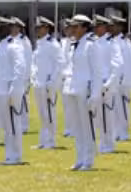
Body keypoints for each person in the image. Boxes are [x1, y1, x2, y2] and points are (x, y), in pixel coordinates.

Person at [63, 14, 103, 171]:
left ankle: (88, 159)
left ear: (84, 27)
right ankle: (80, 157)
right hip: (74, 89)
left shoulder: (91, 44)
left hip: (85, 90)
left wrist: (95, 94)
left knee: (87, 127)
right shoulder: (76, 44)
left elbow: (97, 72)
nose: (72, 29)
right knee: (77, 127)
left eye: (76, 26)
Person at [0, 18, 27, 165]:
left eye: (0, 28)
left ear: (8, 28)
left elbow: (20, 68)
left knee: (13, 123)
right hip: (0, 89)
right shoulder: (0, 46)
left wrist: (15, 89)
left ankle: (16, 155)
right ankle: (9, 154)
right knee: (6, 124)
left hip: (11, 89)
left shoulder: (14, 46)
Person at [32, 16, 65, 150]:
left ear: (46, 28)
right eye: (37, 28)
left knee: (49, 113)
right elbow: (34, 63)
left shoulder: (53, 44)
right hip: (39, 83)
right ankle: (43, 140)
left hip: (48, 84)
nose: (37, 30)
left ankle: (51, 140)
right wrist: (33, 75)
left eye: (40, 28)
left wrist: (52, 81)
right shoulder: (40, 43)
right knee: (42, 113)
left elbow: (60, 63)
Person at [92, 15, 123, 154]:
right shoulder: (94, 42)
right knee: (98, 116)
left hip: (107, 84)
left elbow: (117, 65)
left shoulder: (112, 43)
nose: (95, 29)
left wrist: (109, 83)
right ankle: (102, 142)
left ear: (104, 27)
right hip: (96, 83)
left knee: (108, 116)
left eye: (98, 26)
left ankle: (109, 144)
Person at [111, 15, 131, 141]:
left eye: (114, 25)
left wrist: (123, 78)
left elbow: (126, 63)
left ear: (120, 27)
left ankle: (124, 132)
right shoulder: (114, 41)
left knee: (123, 108)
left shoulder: (124, 43)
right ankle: (116, 131)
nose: (111, 28)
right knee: (115, 107)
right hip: (116, 79)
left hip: (123, 80)